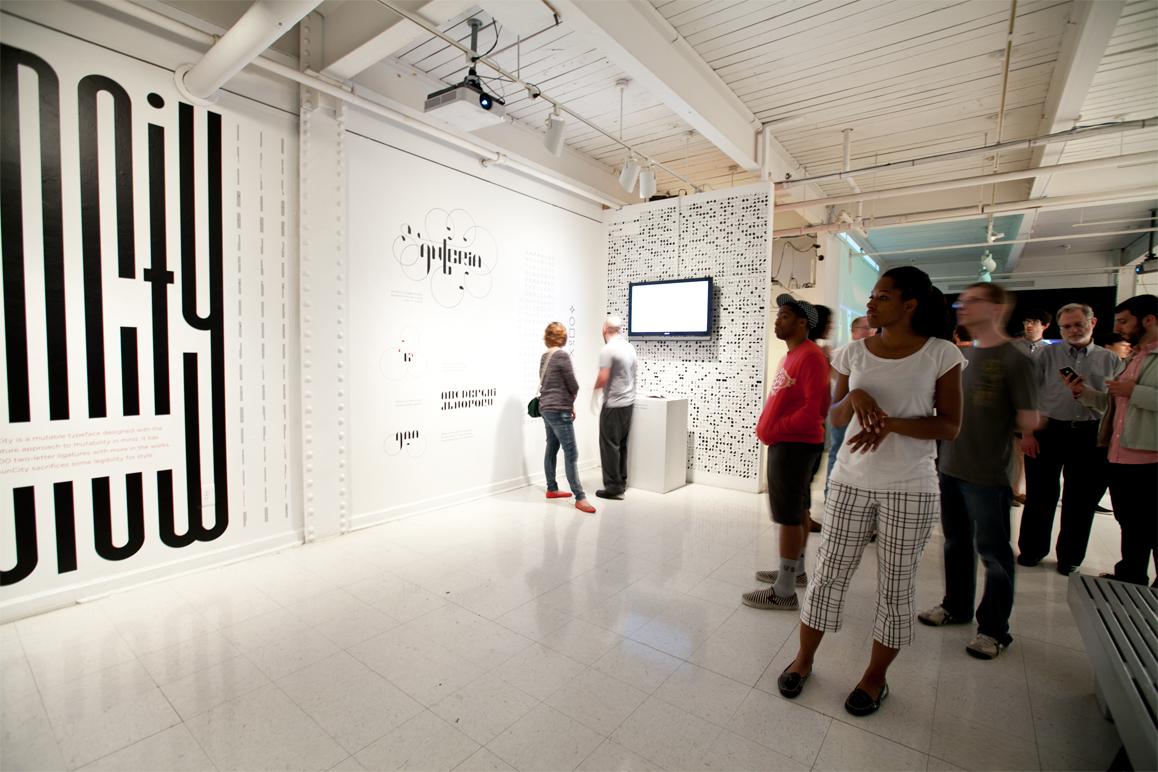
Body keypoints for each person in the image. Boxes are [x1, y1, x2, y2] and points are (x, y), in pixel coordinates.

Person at [778, 266, 964, 716]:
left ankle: (875, 678)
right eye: (872, 295)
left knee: (896, 587)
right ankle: (804, 660)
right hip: (850, 481)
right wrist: (854, 399)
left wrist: (890, 423)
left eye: (881, 296)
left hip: (911, 487)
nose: (870, 302)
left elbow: (950, 426)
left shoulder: (941, 353)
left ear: (909, 304)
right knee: (827, 577)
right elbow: (836, 417)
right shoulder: (853, 352)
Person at [918, 282, 1039, 660]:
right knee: (955, 544)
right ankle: (956, 606)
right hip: (951, 467)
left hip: (988, 475)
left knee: (994, 553)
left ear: (997, 308)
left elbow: (1029, 419)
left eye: (973, 301)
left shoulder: (1016, 359)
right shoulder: (961, 356)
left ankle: (994, 629)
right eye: (961, 300)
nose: (962, 305)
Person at [1016, 303, 1119, 575]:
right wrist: (1027, 434)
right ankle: (1032, 549)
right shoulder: (1046, 355)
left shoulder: (1110, 359)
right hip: (1047, 431)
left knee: (1081, 500)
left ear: (1092, 323)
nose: (1072, 330)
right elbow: (1026, 394)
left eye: (1078, 324)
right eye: (1066, 326)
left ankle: (1070, 557)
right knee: (1040, 495)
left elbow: (1114, 403)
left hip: (1089, 434)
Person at [743, 295, 830, 609]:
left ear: (802, 322)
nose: (777, 320)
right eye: (777, 315)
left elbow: (815, 409)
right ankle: (794, 571)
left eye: (784, 316)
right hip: (790, 444)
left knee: (790, 517)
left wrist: (776, 429)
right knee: (799, 511)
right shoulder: (796, 354)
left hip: (795, 445)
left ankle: (783, 591)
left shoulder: (811, 356)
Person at [1064, 295, 1157, 586]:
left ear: (1149, 320)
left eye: (1124, 321)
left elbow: (1131, 395)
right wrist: (1084, 394)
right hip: (1120, 455)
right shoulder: (1133, 357)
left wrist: (1134, 392)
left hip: (1150, 459)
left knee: (1151, 525)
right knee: (1130, 523)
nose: (1118, 328)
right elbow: (1113, 403)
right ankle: (1130, 578)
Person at [538, 322, 595, 513]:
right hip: (559, 410)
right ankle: (580, 497)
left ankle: (552, 488)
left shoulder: (545, 356)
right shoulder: (562, 355)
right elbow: (572, 384)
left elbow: (548, 383)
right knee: (571, 453)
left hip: (546, 408)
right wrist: (570, 402)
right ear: (562, 337)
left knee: (551, 448)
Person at [593, 316, 638, 500]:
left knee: (609, 446)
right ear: (621, 330)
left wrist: (593, 393)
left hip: (613, 404)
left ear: (605, 330)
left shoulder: (607, 349)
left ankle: (613, 487)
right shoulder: (630, 347)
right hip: (628, 403)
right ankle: (621, 482)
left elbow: (603, 377)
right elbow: (635, 371)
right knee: (621, 445)